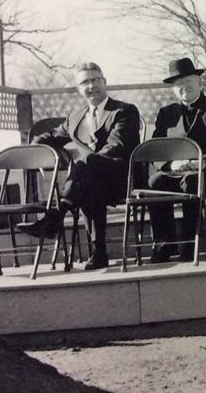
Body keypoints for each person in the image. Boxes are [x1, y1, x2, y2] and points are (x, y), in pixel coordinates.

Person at [32, 62, 141, 270]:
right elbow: (52, 136)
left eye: (95, 80)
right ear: (78, 89)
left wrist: (87, 160)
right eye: (84, 82)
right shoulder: (75, 116)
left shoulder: (124, 111)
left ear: (104, 82)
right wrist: (37, 147)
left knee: (87, 163)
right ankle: (98, 253)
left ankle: (57, 213)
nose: (91, 86)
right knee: (89, 184)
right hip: (91, 182)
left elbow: (115, 148)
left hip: (121, 178)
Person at [147, 58, 206, 263]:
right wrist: (172, 165)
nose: (184, 86)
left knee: (192, 182)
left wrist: (202, 163)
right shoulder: (166, 114)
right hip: (176, 170)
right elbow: (157, 149)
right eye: (178, 83)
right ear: (173, 89)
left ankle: (190, 245)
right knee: (155, 182)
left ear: (199, 81)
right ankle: (165, 244)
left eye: (188, 80)